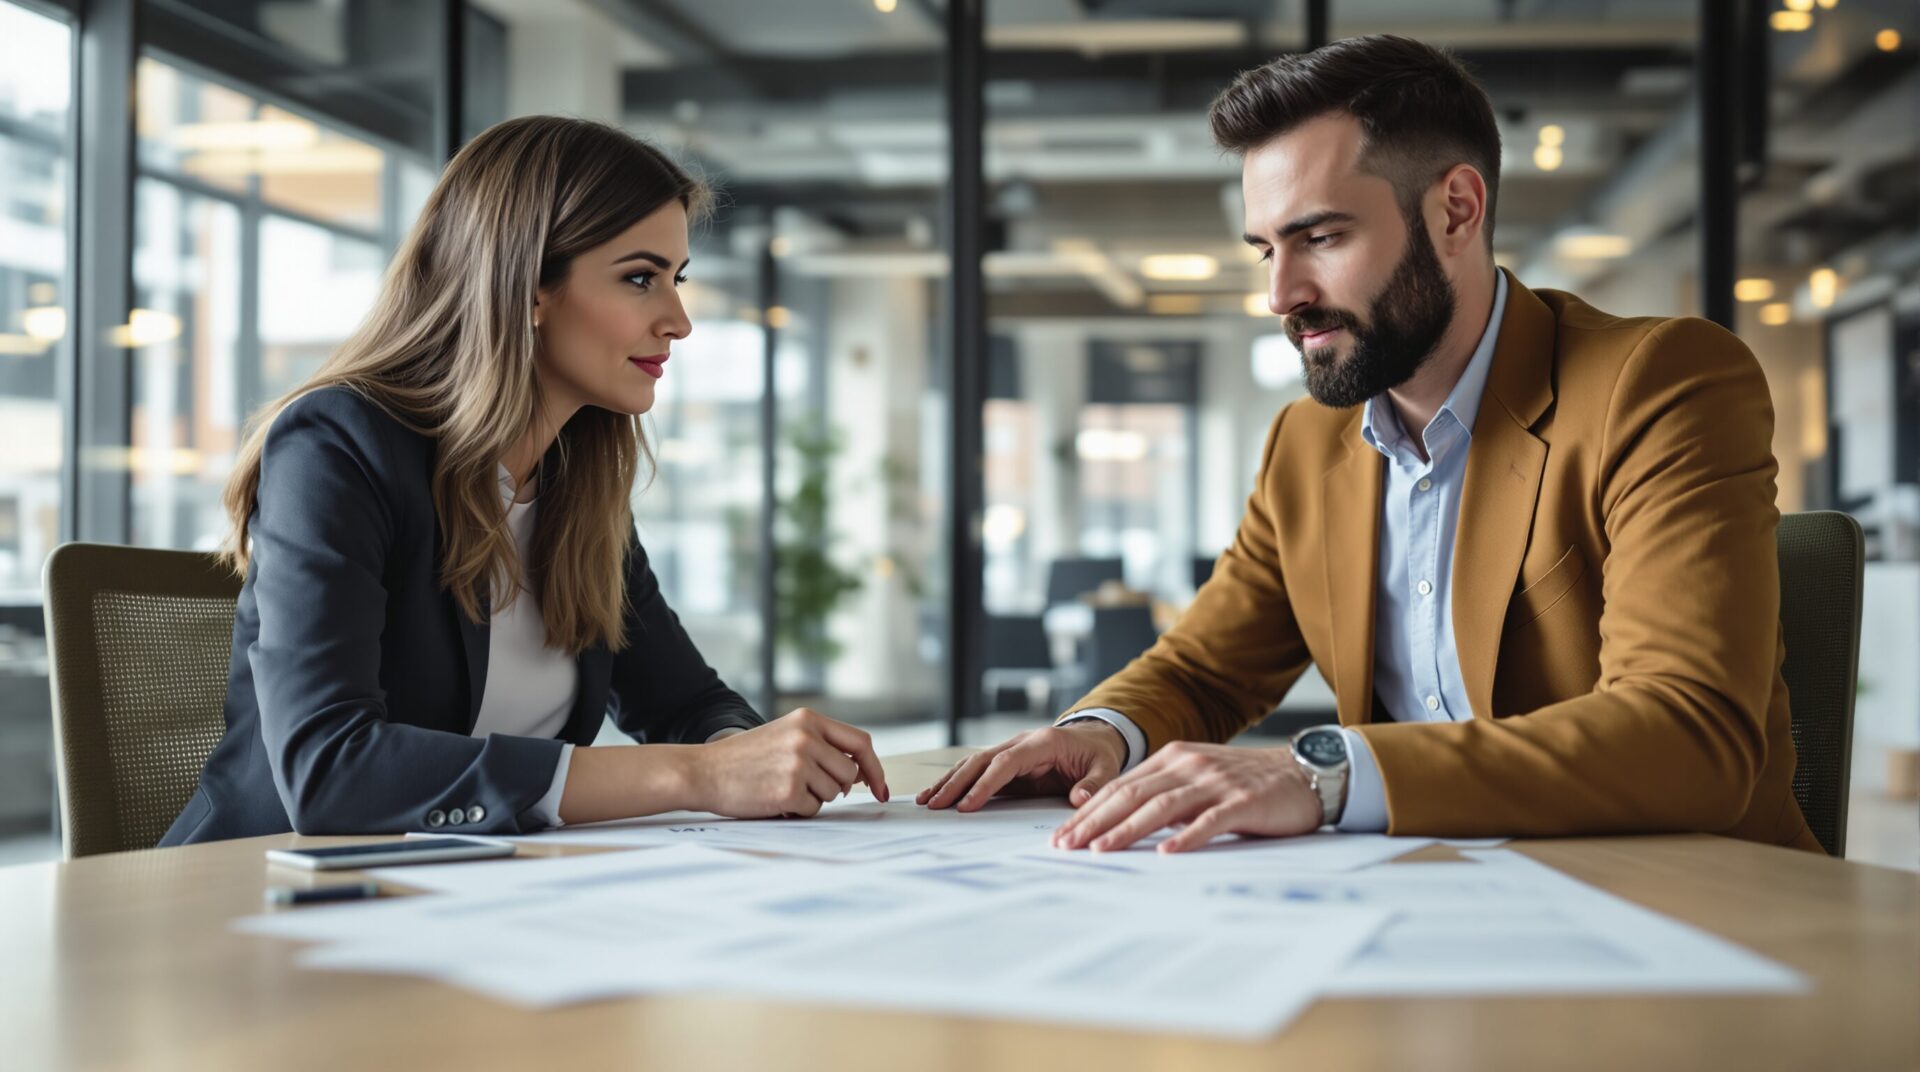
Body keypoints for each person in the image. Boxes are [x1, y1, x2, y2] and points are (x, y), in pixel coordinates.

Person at [920, 35, 1820, 856]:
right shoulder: (1308, 442)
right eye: (1265, 249)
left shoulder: (1657, 384)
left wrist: (1324, 774)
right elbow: (1205, 666)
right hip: (1424, 897)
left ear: (1456, 212)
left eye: (1320, 237)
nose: (1281, 295)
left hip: (1676, 903)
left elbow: (1690, 734)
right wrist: (1100, 732)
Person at [161, 116, 886, 846]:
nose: (678, 321)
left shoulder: (574, 484)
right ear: (530, 287)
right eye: (641, 278)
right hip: (262, 890)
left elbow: (688, 704)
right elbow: (331, 772)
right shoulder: (338, 446)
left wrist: (752, 757)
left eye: (678, 279)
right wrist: (695, 775)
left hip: (485, 891)